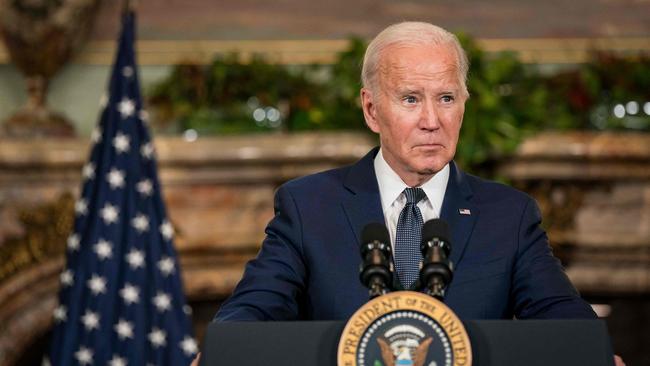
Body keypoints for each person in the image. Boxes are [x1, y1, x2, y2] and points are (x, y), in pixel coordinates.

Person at [195, 21, 624, 365]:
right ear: (371, 109)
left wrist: (596, 354)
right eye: (410, 99)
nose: (432, 120)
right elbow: (249, 315)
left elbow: (566, 325)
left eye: (446, 97)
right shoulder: (309, 206)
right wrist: (220, 352)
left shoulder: (508, 214)